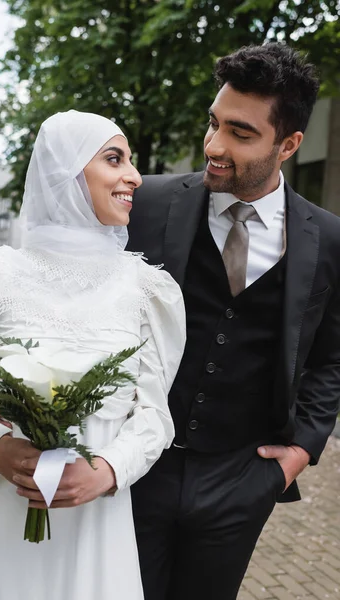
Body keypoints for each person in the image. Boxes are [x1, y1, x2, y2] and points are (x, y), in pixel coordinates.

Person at [0, 110, 186, 600]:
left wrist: (110, 468)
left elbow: (155, 416)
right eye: (114, 159)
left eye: (131, 161)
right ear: (65, 173)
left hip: (97, 534)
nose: (134, 176)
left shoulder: (149, 290)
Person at [125, 43, 340, 600]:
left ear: (288, 144)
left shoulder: (329, 239)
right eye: (213, 123)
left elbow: (330, 357)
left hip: (241, 479)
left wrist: (297, 454)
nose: (215, 146)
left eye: (241, 135)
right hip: (133, 469)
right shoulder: (145, 203)